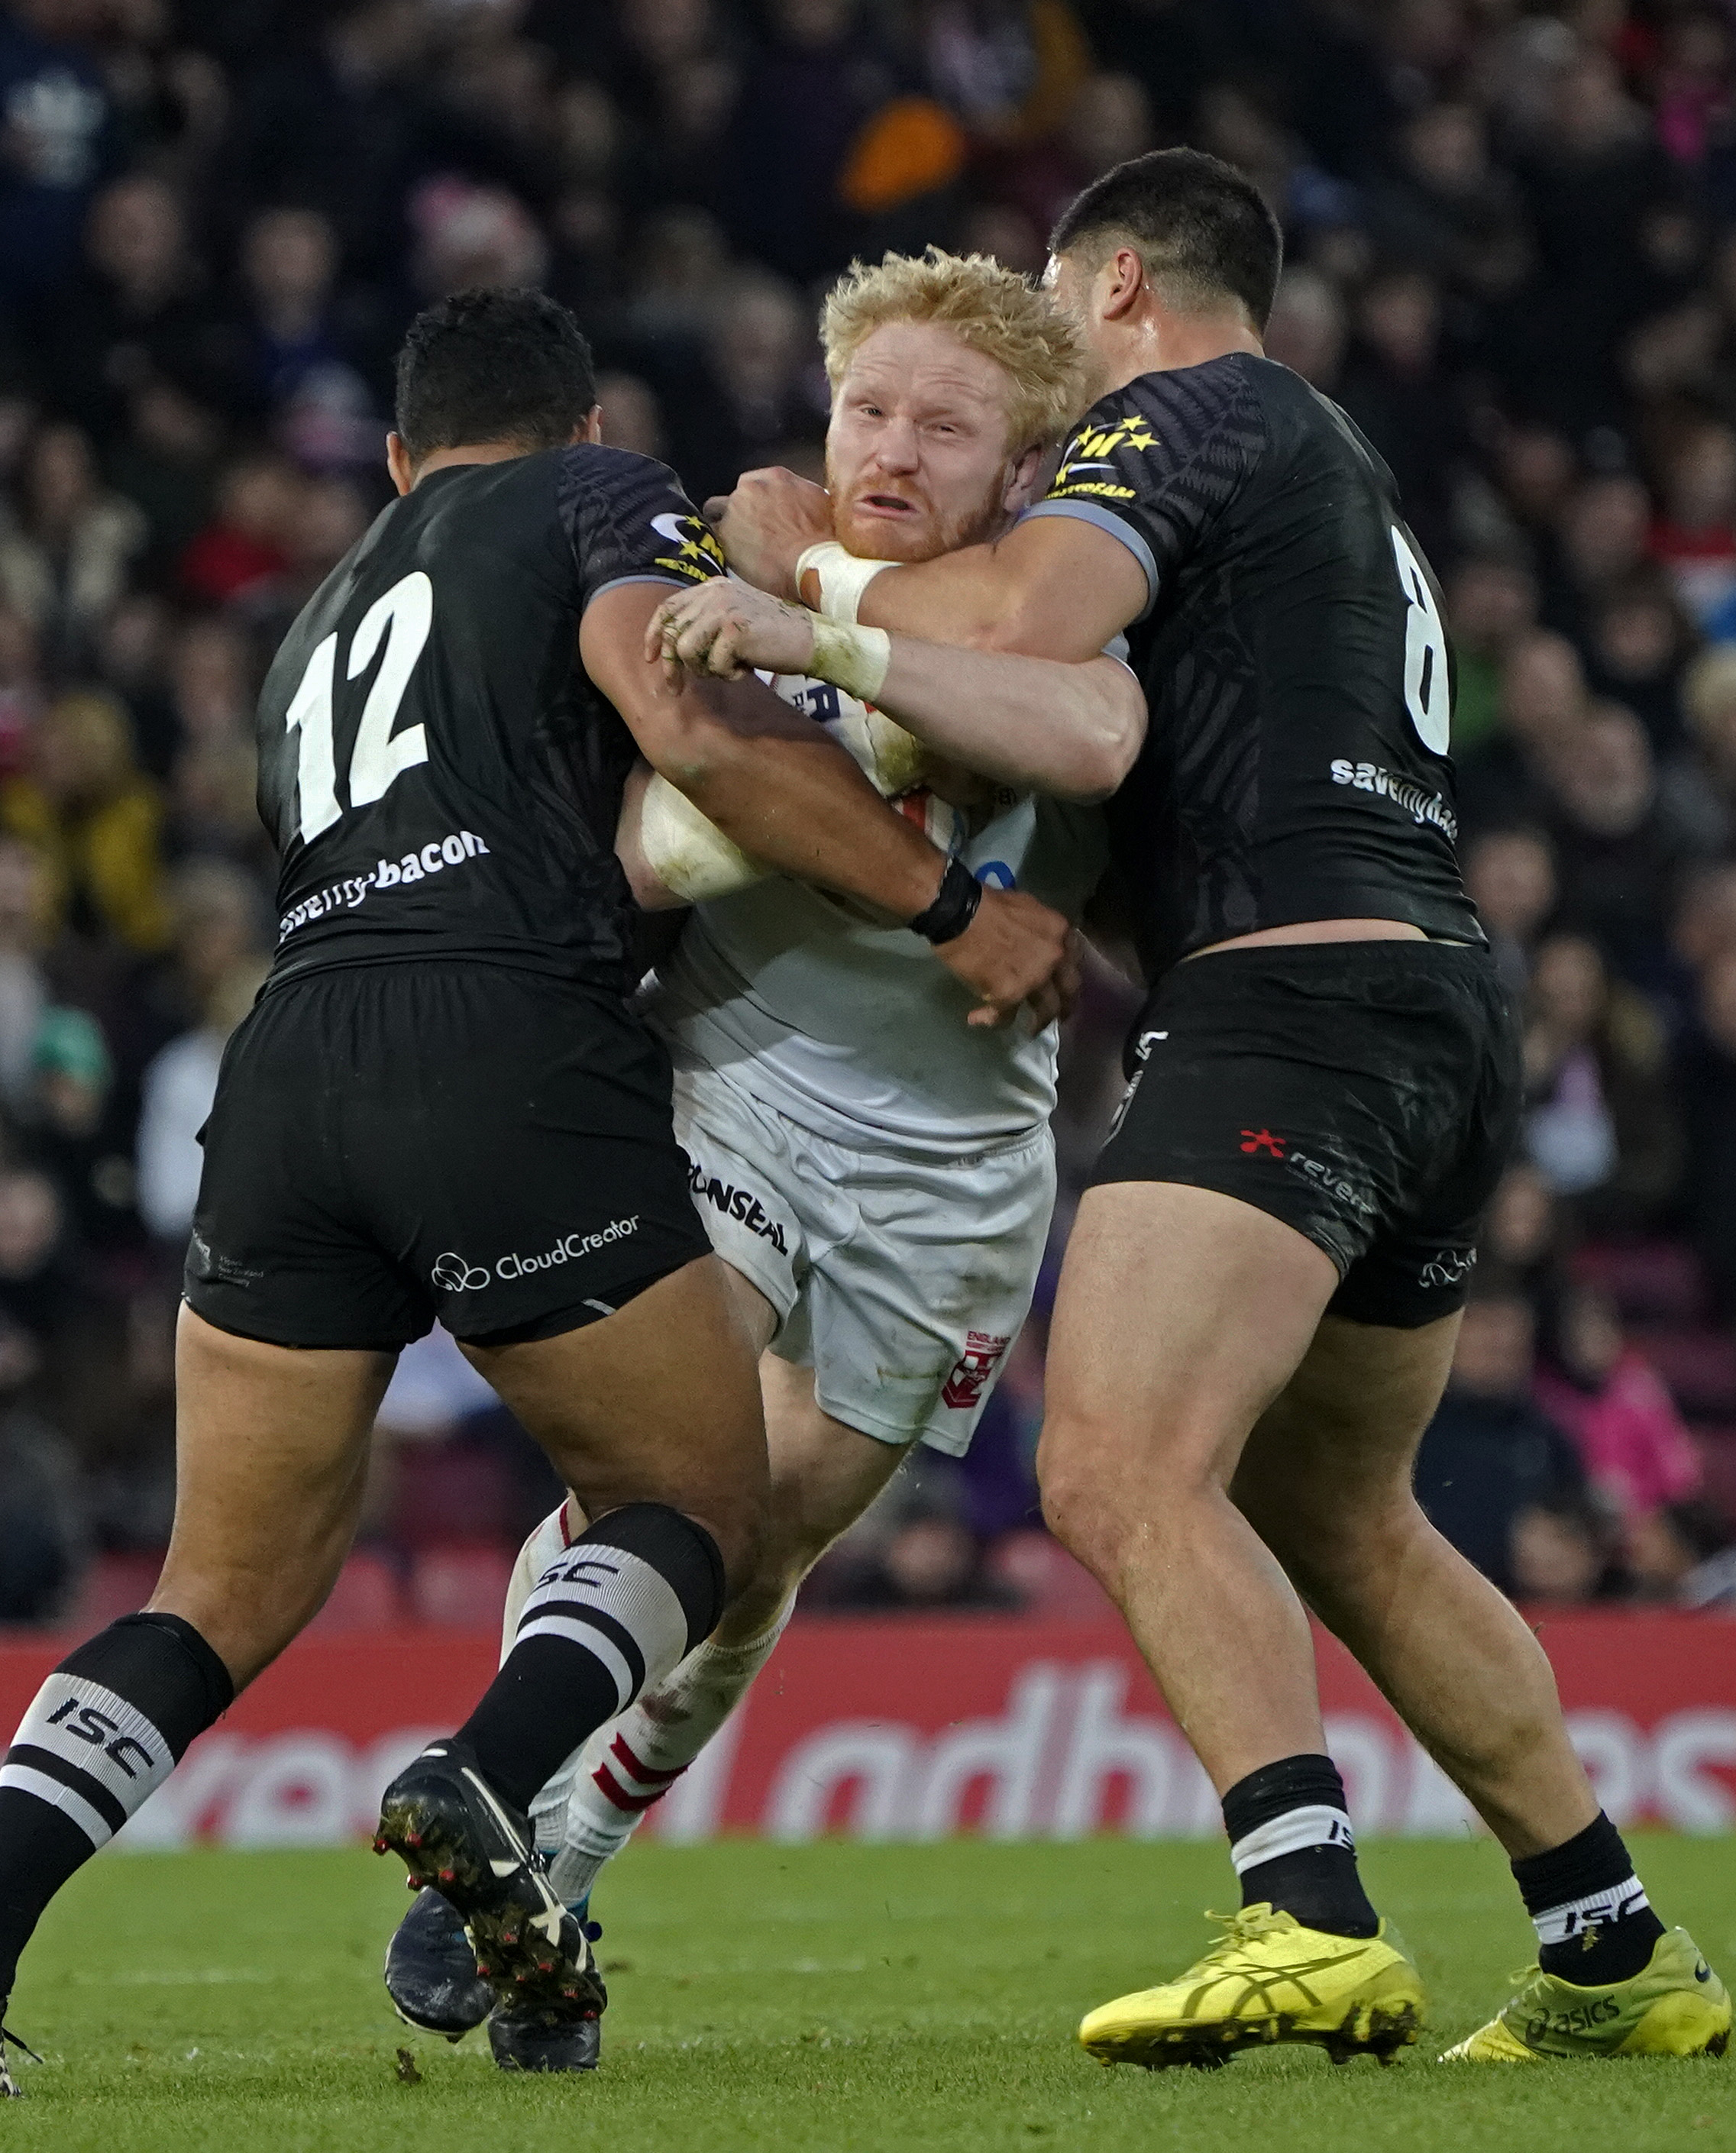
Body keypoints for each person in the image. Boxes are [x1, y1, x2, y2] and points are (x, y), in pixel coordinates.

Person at [652, 148, 1731, 2067]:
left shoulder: (1196, 408)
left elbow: (1031, 616)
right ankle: (1611, 1947)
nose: (1046, 384)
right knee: (1348, 1516)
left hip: (1294, 1007)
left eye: (1055, 316)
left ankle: (1305, 1916)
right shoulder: (1335, 474)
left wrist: (802, 568)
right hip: (1427, 1007)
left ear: (1122, 286)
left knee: (1114, 1466)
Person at [0, 285, 1073, 2094]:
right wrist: (954, 904)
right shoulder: (593, 499)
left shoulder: (312, 622)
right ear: (583, 431)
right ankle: (488, 1779)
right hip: (499, 1043)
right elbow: (702, 735)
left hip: (287, 1065)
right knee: (691, 1504)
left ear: (398, 459)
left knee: (212, 1594)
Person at [380, 247, 1120, 2053]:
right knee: (666, 1482)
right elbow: (644, 838)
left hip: (956, 1178)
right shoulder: (703, 564)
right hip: (734, 1075)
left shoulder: (1065, 606)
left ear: (1026, 464)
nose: (894, 449)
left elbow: (1055, 751)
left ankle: (571, 1864)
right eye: (869, 407)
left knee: (768, 1548)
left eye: (947, 427)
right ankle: (501, 1830)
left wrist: (816, 601)